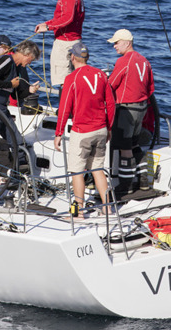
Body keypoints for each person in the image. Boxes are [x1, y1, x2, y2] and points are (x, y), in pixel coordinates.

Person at [54, 42, 116, 213]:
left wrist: (58, 133)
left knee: (77, 172)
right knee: (97, 170)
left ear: (72, 57)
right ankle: (107, 209)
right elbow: (111, 104)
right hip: (101, 129)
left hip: (82, 132)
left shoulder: (71, 78)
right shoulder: (101, 75)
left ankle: (78, 212)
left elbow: (64, 108)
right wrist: (109, 128)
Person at [0, 39, 39, 176]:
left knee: (18, 142)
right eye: (31, 59)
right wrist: (10, 84)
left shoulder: (18, 68)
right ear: (27, 55)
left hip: (2, 110)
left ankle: (18, 176)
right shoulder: (6, 60)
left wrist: (30, 90)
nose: (30, 63)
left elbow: (17, 94)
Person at [106, 28, 155, 195]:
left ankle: (125, 186)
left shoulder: (124, 61)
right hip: (141, 108)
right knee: (134, 143)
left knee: (124, 147)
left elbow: (111, 84)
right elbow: (150, 88)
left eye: (116, 43)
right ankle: (144, 181)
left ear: (127, 43)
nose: (114, 46)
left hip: (126, 109)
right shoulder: (144, 61)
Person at [34, 0, 85, 86]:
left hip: (65, 41)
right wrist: (46, 23)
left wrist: (48, 28)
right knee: (72, 77)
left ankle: (65, 99)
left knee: (63, 79)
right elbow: (63, 17)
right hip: (75, 39)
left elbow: (68, 18)